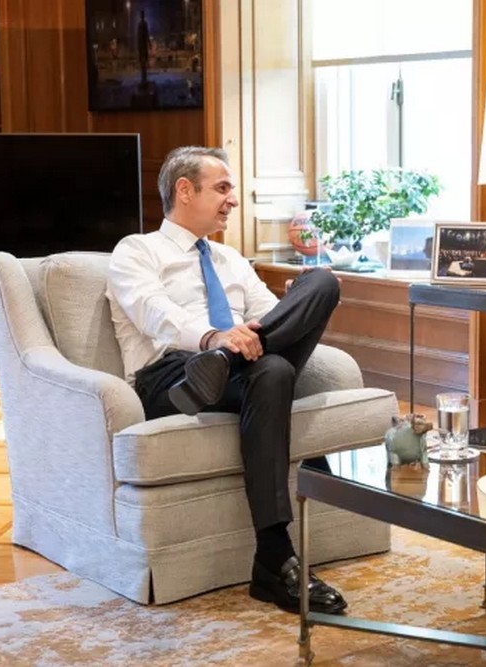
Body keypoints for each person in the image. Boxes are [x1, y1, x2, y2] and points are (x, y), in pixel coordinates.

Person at [106, 146, 347, 616]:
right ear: (184, 190)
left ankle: (273, 558)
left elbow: (270, 319)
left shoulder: (231, 259)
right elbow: (154, 312)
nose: (233, 199)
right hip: (173, 378)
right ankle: (276, 559)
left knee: (320, 285)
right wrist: (213, 338)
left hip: (239, 370)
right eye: (222, 188)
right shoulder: (137, 250)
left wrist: (265, 328)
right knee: (272, 370)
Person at [137, 10, 150, 86]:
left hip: (143, 45)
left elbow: (146, 34)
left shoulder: (143, 24)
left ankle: (144, 78)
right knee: (143, 62)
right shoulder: (141, 24)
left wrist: (149, 43)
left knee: (144, 61)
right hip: (142, 45)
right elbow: (142, 35)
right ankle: (143, 78)